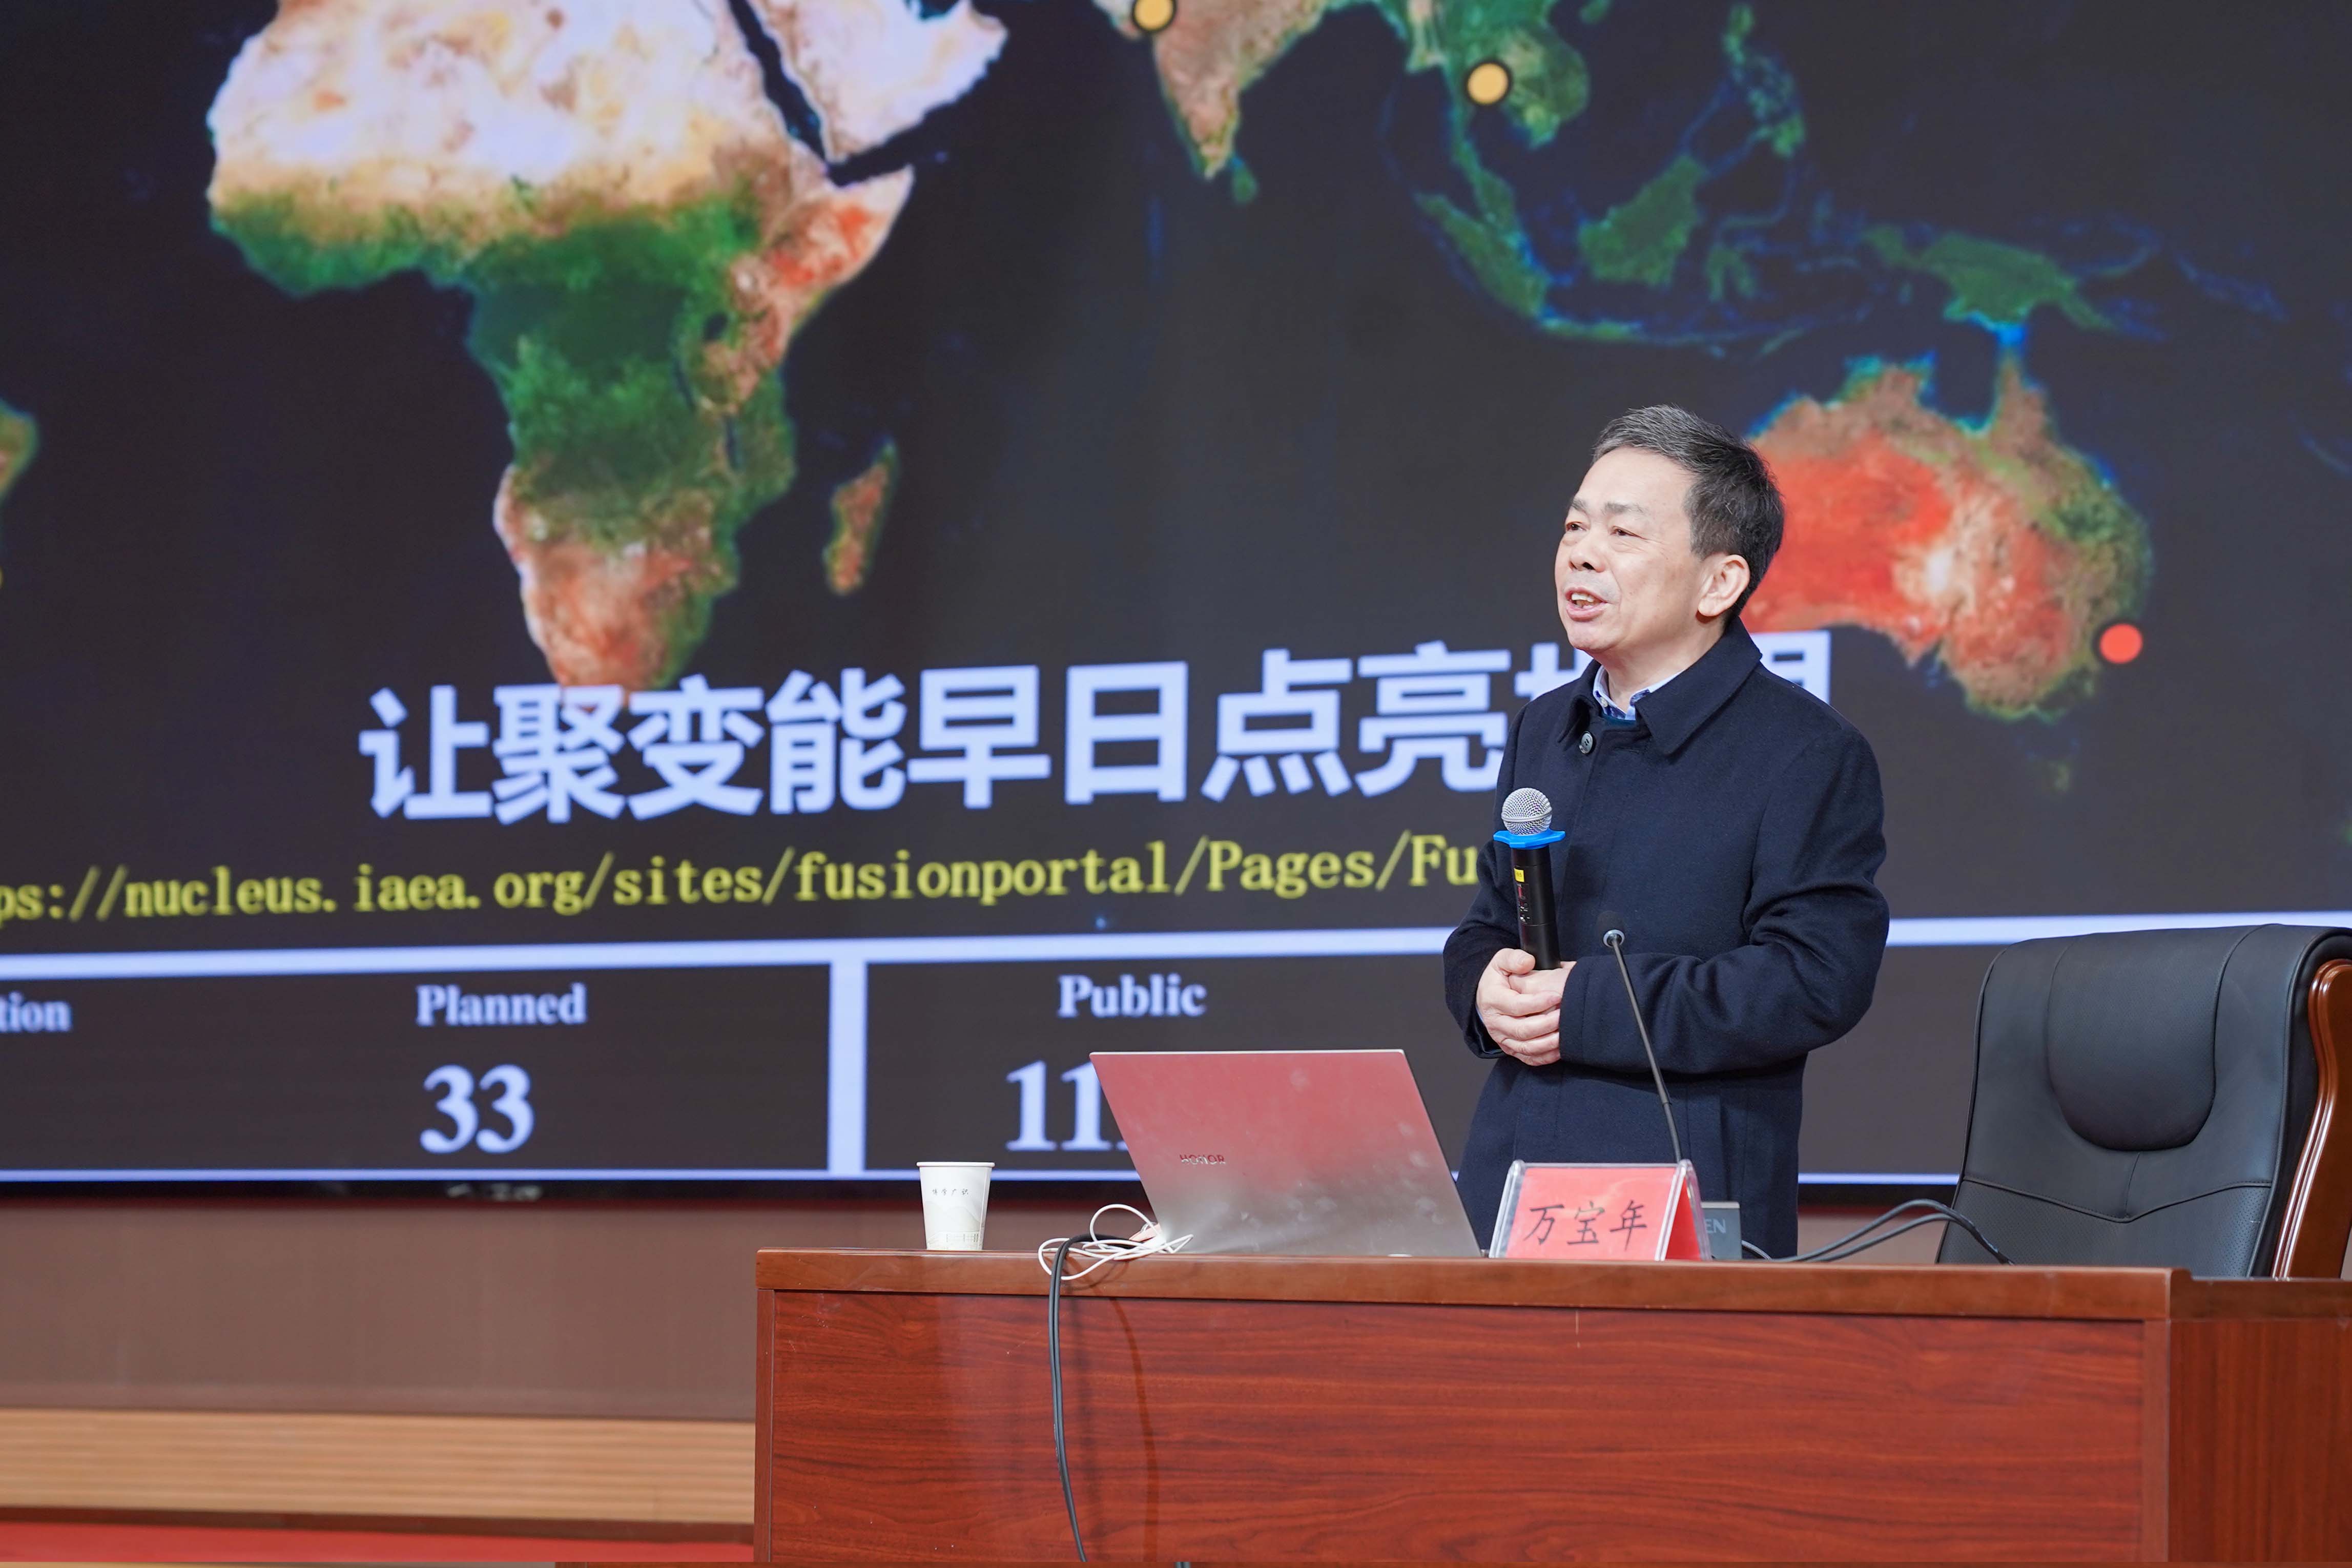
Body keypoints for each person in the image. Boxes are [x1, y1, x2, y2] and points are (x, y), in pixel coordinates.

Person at [1445, 406, 1889, 1258]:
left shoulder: (1803, 750)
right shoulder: (1544, 727)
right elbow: (1489, 923)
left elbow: (1813, 980)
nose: (1581, 554)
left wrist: (1588, 1005)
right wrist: (1482, 988)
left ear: (1718, 583)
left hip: (1683, 1186)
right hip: (1516, 1175)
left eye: (1622, 533)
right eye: (1574, 526)